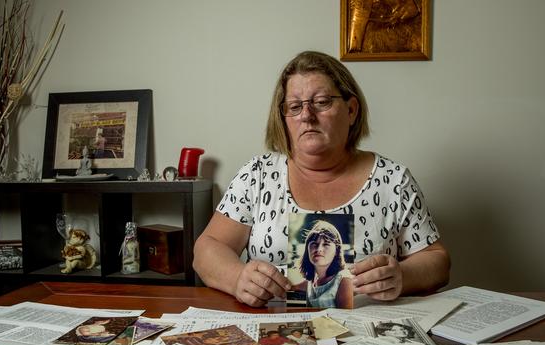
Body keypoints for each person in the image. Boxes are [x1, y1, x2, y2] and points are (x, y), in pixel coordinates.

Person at [193, 50, 450, 307]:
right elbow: (206, 249)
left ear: (351, 110)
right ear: (284, 119)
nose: (306, 115)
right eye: (294, 107)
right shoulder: (257, 175)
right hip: (272, 333)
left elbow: (437, 261)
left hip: (368, 339)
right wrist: (237, 277)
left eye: (322, 102)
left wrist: (403, 276)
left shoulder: (394, 180)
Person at [292, 220, 353, 309]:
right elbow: (293, 287)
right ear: (307, 249)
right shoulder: (310, 281)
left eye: (326, 244)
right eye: (314, 244)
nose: (319, 249)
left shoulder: (344, 281)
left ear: (337, 251)